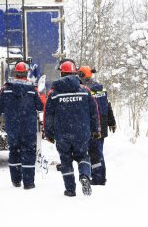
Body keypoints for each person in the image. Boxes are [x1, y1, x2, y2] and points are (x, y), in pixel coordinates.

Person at [44, 61, 100, 197]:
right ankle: (85, 175)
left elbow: (48, 115)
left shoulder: (54, 93)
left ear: (61, 73)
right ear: (75, 73)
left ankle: (70, 190)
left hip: (62, 134)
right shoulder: (85, 91)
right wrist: (95, 129)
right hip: (81, 132)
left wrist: (49, 134)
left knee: (65, 160)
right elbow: (94, 112)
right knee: (83, 156)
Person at [0, 61, 44, 189]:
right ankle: (29, 183)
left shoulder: (6, 89)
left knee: (14, 151)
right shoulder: (32, 90)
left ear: (15, 73)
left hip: (12, 127)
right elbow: (40, 106)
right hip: (28, 127)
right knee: (28, 152)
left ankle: (16, 180)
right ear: (26, 73)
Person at [78, 66, 117, 185]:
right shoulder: (101, 88)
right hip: (103, 123)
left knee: (94, 152)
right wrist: (112, 121)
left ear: (81, 75)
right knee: (98, 150)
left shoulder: (85, 89)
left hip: (93, 124)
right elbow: (107, 105)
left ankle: (98, 178)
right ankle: (99, 176)